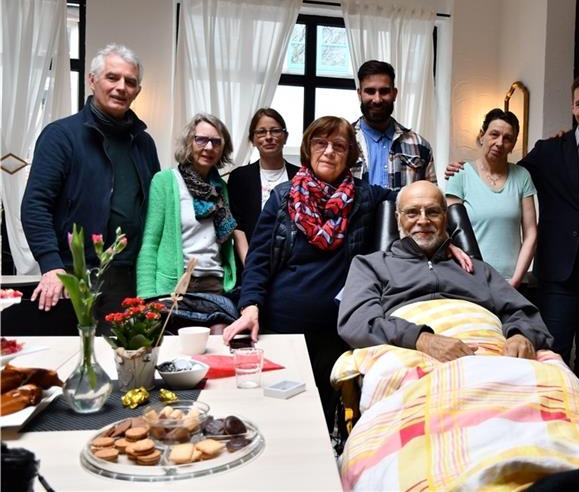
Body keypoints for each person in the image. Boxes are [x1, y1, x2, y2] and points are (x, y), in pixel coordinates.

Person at [447, 73, 579, 394]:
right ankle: (556, 417)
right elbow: (504, 171)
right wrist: (462, 169)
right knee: (552, 351)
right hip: (558, 274)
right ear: (572, 107)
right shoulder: (550, 151)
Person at [222, 116, 393, 431]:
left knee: (322, 421)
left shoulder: (366, 197)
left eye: (339, 146)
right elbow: (258, 258)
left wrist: (448, 240)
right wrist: (249, 307)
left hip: (336, 333)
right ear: (308, 149)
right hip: (281, 327)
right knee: (276, 414)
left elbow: (415, 206)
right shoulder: (283, 196)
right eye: (320, 143)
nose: (329, 151)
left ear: (350, 155)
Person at [22, 43, 160, 327]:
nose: (121, 87)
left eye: (130, 82)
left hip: (127, 279)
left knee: (123, 363)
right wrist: (50, 265)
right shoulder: (60, 136)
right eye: (113, 77)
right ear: (92, 80)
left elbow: (153, 211)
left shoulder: (144, 143)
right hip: (71, 275)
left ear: (137, 91)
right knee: (72, 361)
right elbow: (35, 206)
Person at [338, 180, 552, 361]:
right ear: (397, 219)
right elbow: (357, 322)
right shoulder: (370, 266)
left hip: (494, 355)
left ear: (446, 218)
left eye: (432, 212)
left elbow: (524, 312)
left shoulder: (478, 269)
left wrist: (520, 335)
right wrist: (422, 339)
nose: (423, 220)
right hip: (410, 355)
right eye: (412, 212)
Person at [136, 113, 238, 333]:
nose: (209, 147)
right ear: (189, 142)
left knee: (218, 353)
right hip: (174, 287)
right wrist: (145, 297)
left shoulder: (221, 188)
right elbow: (150, 243)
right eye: (201, 139)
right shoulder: (165, 181)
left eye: (216, 142)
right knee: (172, 356)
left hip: (214, 286)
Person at [445, 109, 537, 289]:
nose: (499, 143)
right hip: (469, 279)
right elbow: (450, 232)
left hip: (512, 282)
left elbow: (531, 233)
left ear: (513, 144)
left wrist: (516, 280)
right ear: (482, 135)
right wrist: (468, 275)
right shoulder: (460, 175)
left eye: (508, 138)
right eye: (494, 134)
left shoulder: (522, 176)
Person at [227, 108, 299, 267]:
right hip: (251, 261)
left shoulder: (301, 176)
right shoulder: (240, 177)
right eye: (261, 132)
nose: (268, 137)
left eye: (275, 131)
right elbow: (237, 227)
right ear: (252, 139)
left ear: (285, 137)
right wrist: (250, 265)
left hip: (291, 265)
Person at [351, 60, 436, 190]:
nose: (377, 99)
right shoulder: (343, 142)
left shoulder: (420, 146)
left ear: (394, 94)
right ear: (359, 94)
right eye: (370, 91)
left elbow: (432, 200)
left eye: (384, 91)